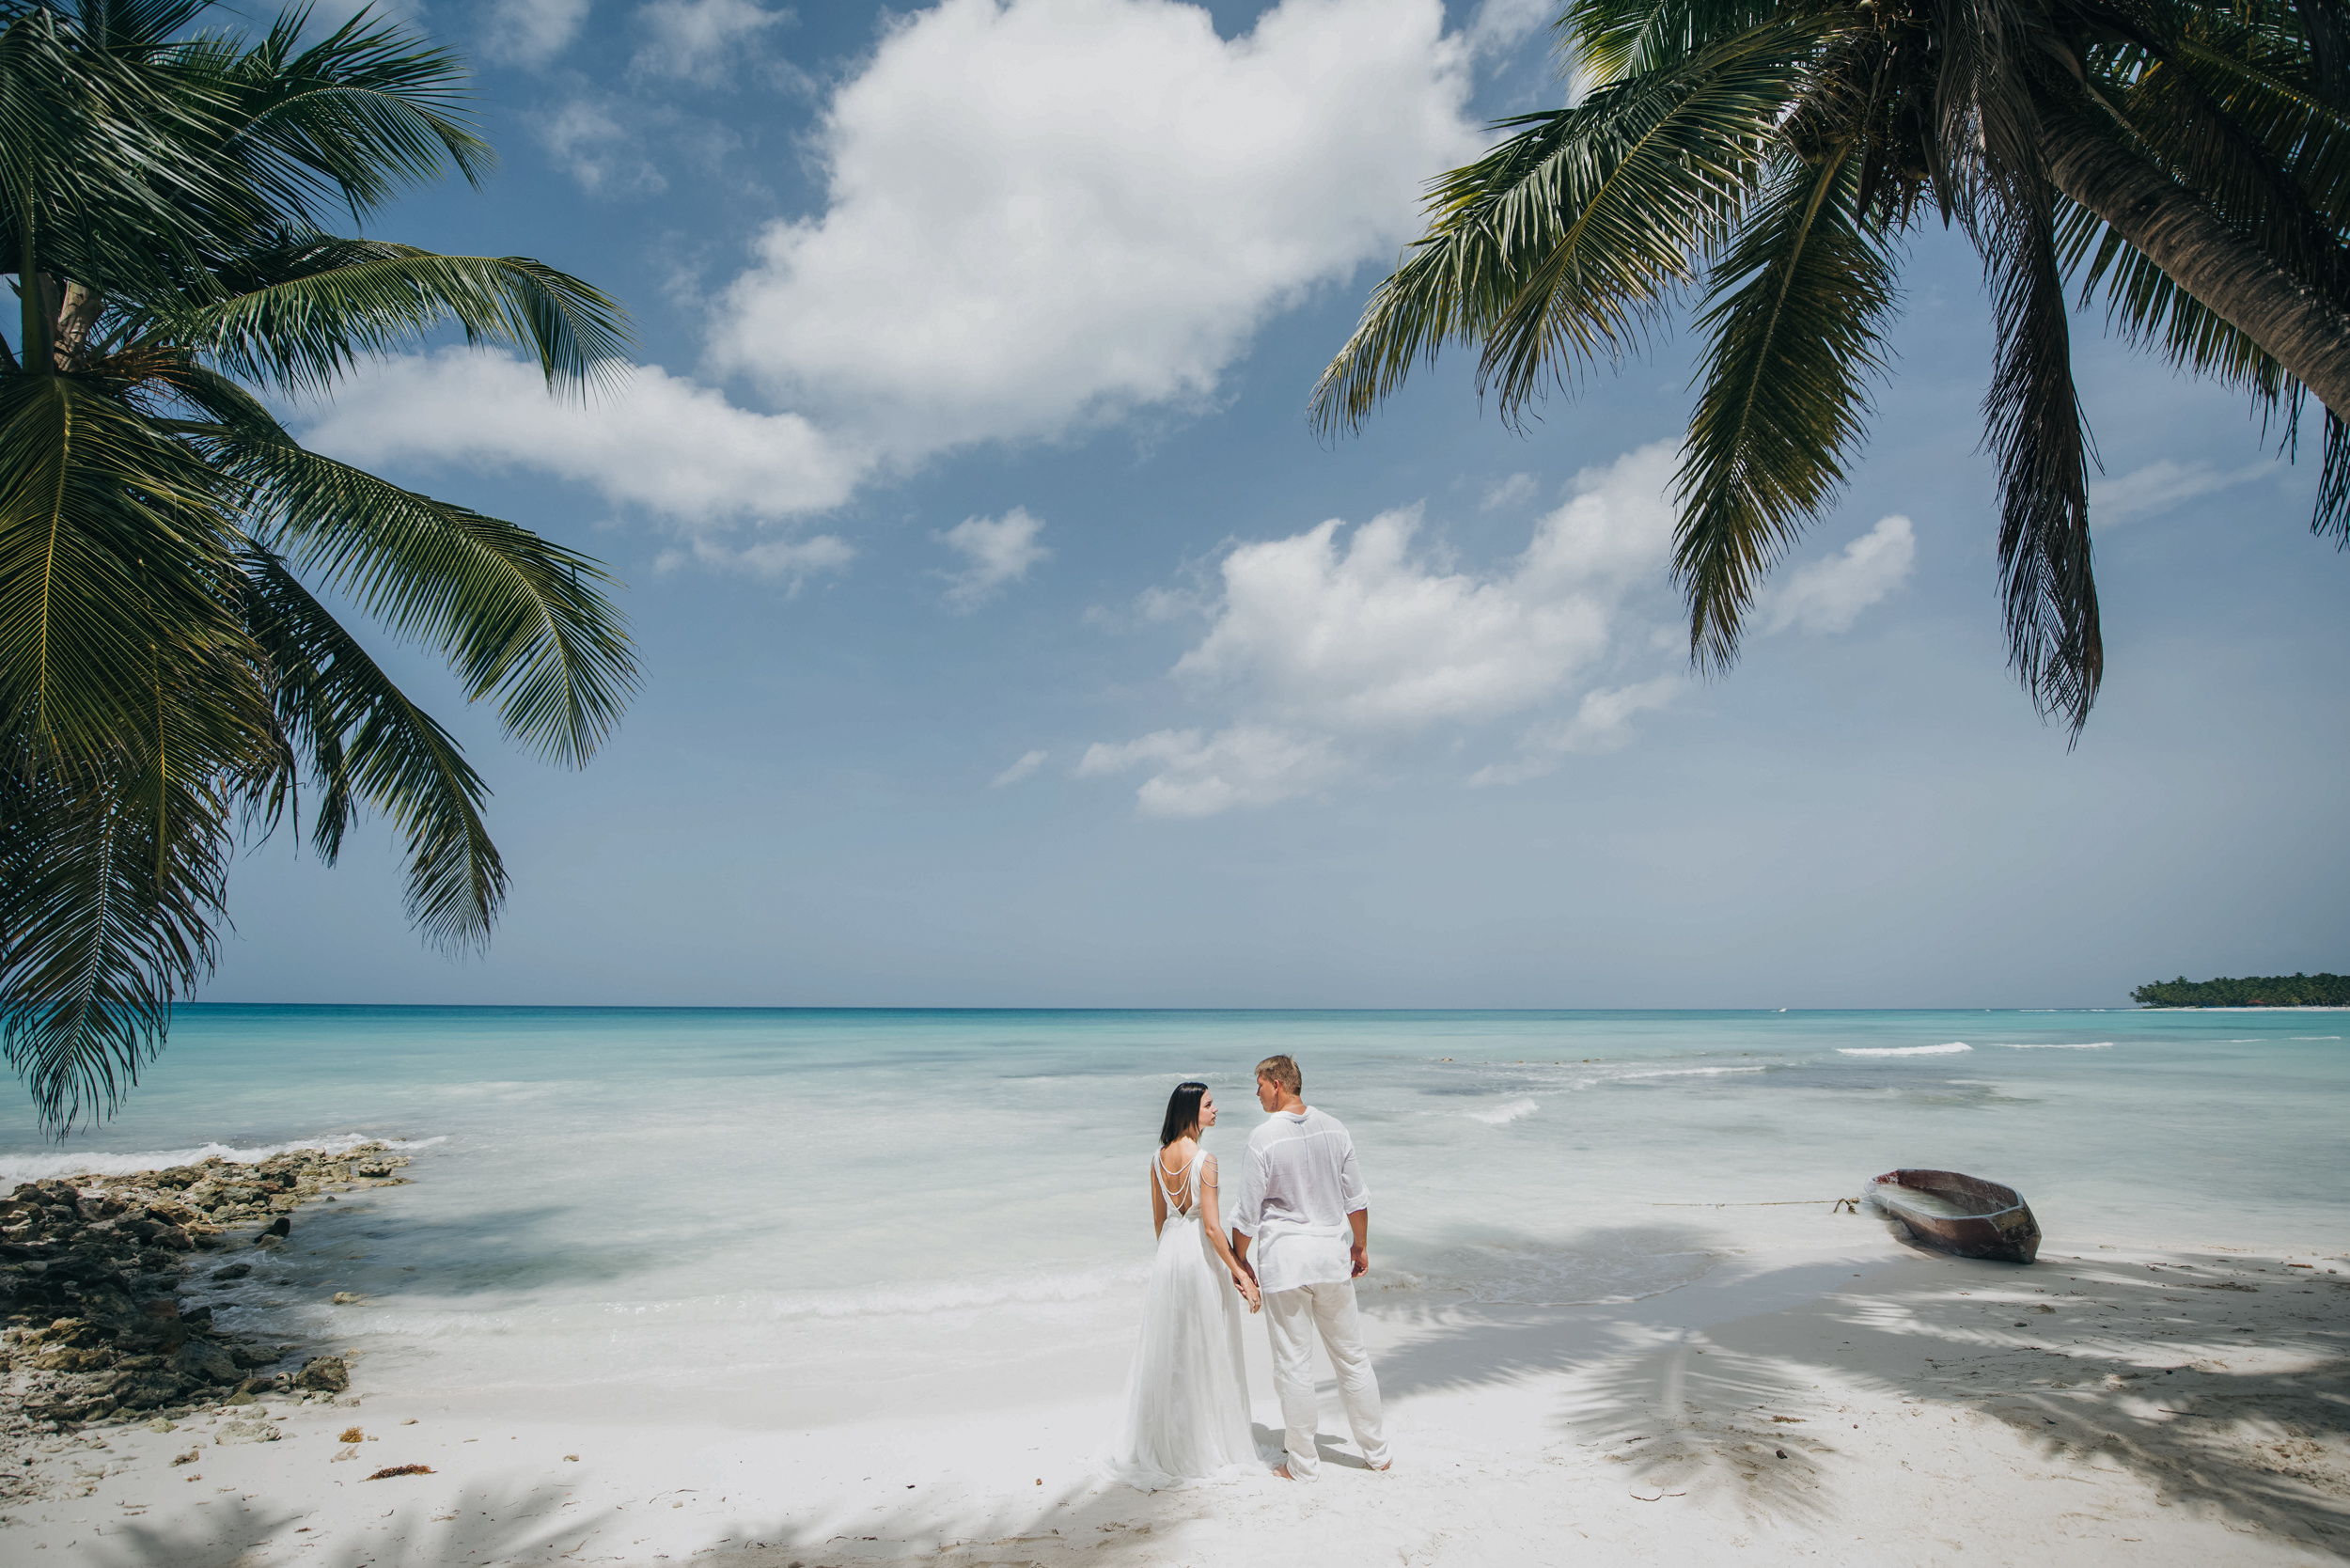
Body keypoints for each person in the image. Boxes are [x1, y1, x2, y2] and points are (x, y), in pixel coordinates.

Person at [1229, 1054, 1390, 1482]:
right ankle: (1378, 1453)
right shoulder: (1335, 1128)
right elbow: (1357, 1200)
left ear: (1278, 1084)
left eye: (1259, 1084)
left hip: (1286, 1264)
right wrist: (1360, 1247)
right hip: (1330, 1259)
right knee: (1352, 1358)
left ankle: (1302, 1464)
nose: (1257, 1093)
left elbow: (1246, 1213)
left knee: (1294, 1365)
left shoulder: (1263, 1138)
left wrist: (1239, 1259)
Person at [1107, 1081, 1263, 1487]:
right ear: (1191, 1111)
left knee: (1173, 1348)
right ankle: (1204, 1440)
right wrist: (1241, 1272)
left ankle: (1169, 1438)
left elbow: (1159, 1221)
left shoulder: (1157, 1159)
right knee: (1206, 1345)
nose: (1215, 1110)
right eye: (1209, 1104)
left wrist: (1170, 1255)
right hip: (1198, 1256)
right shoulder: (1206, 1161)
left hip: (1170, 1256)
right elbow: (1211, 1227)